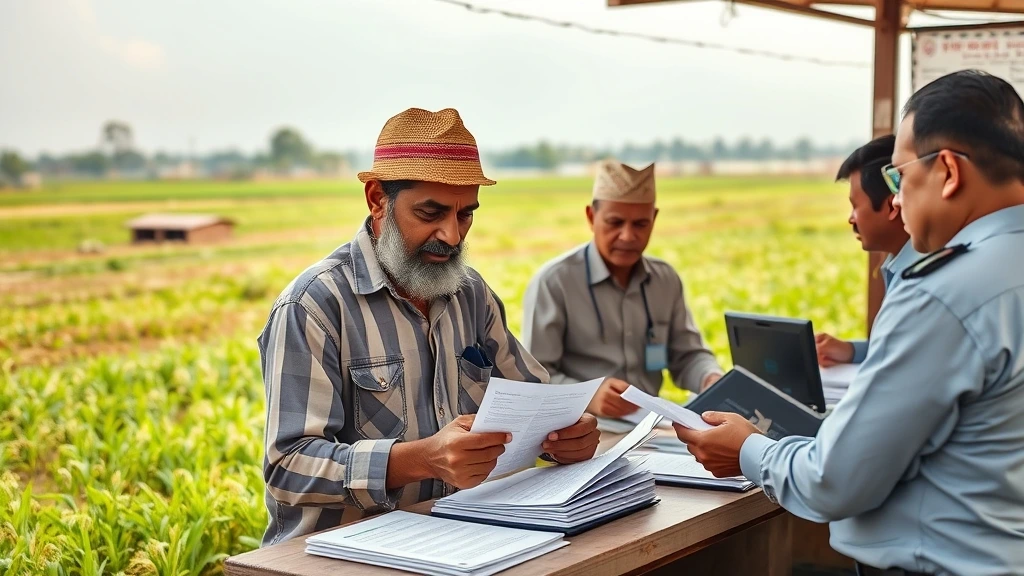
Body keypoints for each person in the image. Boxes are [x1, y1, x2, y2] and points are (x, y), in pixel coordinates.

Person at [675, 70, 1024, 575]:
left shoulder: (944, 292)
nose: (897, 200)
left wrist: (749, 448)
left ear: (947, 171)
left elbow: (837, 480)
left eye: (899, 176)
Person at [257, 107, 600, 545]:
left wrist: (569, 434)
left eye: (465, 215)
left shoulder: (471, 294)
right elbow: (289, 466)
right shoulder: (315, 305)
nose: (452, 235)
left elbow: (537, 400)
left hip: (461, 540)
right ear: (377, 199)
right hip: (344, 556)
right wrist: (418, 460)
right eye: (431, 213)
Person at [522, 159, 722, 419]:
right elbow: (534, 380)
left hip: (652, 427)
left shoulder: (665, 280)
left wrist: (710, 377)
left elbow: (688, 356)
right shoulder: (554, 282)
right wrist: (588, 396)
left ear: (654, 219)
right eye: (615, 223)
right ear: (591, 217)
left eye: (640, 224)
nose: (628, 236)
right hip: (584, 429)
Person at [815, 135, 924, 367]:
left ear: (892, 204)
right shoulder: (901, 265)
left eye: (855, 206)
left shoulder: (922, 282)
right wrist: (851, 351)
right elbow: (896, 350)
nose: (850, 219)